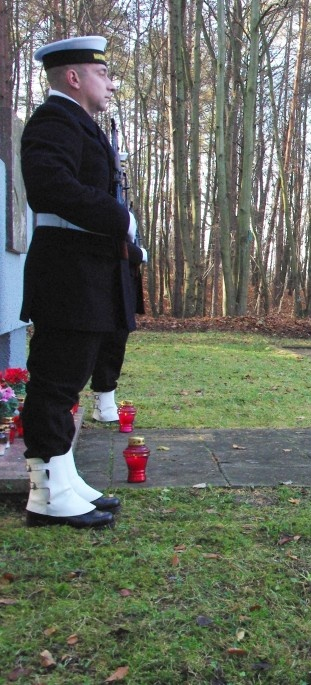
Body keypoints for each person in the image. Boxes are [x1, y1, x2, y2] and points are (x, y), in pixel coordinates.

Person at [19, 36, 134, 528]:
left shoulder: (81, 125)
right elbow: (51, 185)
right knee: (53, 383)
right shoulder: (54, 121)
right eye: (102, 73)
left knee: (70, 381)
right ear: (73, 77)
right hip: (67, 276)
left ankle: (63, 479)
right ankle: (45, 496)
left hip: (86, 276)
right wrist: (119, 217)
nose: (110, 83)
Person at [90, 239, 146, 422]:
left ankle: (105, 402)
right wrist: (139, 254)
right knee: (95, 342)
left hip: (123, 278)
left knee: (116, 340)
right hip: (102, 278)